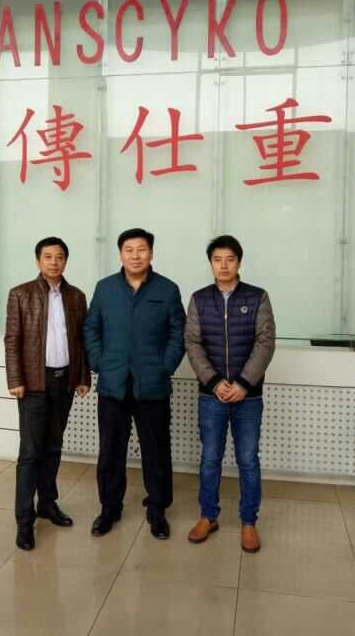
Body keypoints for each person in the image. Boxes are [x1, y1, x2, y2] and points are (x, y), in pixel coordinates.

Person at [83, 228, 185, 540]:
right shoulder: (105, 288)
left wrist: (165, 367)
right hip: (113, 383)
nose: (135, 256)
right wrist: (99, 362)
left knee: (156, 450)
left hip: (152, 384)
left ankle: (157, 510)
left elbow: (178, 333)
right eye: (129, 250)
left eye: (141, 249)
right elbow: (91, 328)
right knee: (111, 450)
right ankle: (109, 508)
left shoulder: (167, 289)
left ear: (151, 253)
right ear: (120, 254)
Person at [184, 235, 275, 553]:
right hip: (211, 396)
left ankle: (249, 522)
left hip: (248, 397)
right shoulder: (199, 299)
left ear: (239, 262)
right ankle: (208, 516)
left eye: (230, 259)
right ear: (210, 263)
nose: (223, 265)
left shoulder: (258, 297)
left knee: (248, 459)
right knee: (210, 458)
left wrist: (243, 384)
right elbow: (192, 343)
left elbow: (265, 342)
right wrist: (213, 382)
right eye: (217, 260)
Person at [4, 236, 91, 551]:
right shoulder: (21, 294)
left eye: (59, 257)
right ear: (38, 260)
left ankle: (47, 504)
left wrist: (82, 376)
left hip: (63, 381)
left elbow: (82, 340)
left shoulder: (76, 296)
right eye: (48, 257)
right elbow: (12, 339)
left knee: (54, 447)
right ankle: (24, 521)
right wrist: (16, 379)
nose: (54, 262)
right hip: (33, 384)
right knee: (30, 452)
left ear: (66, 261)